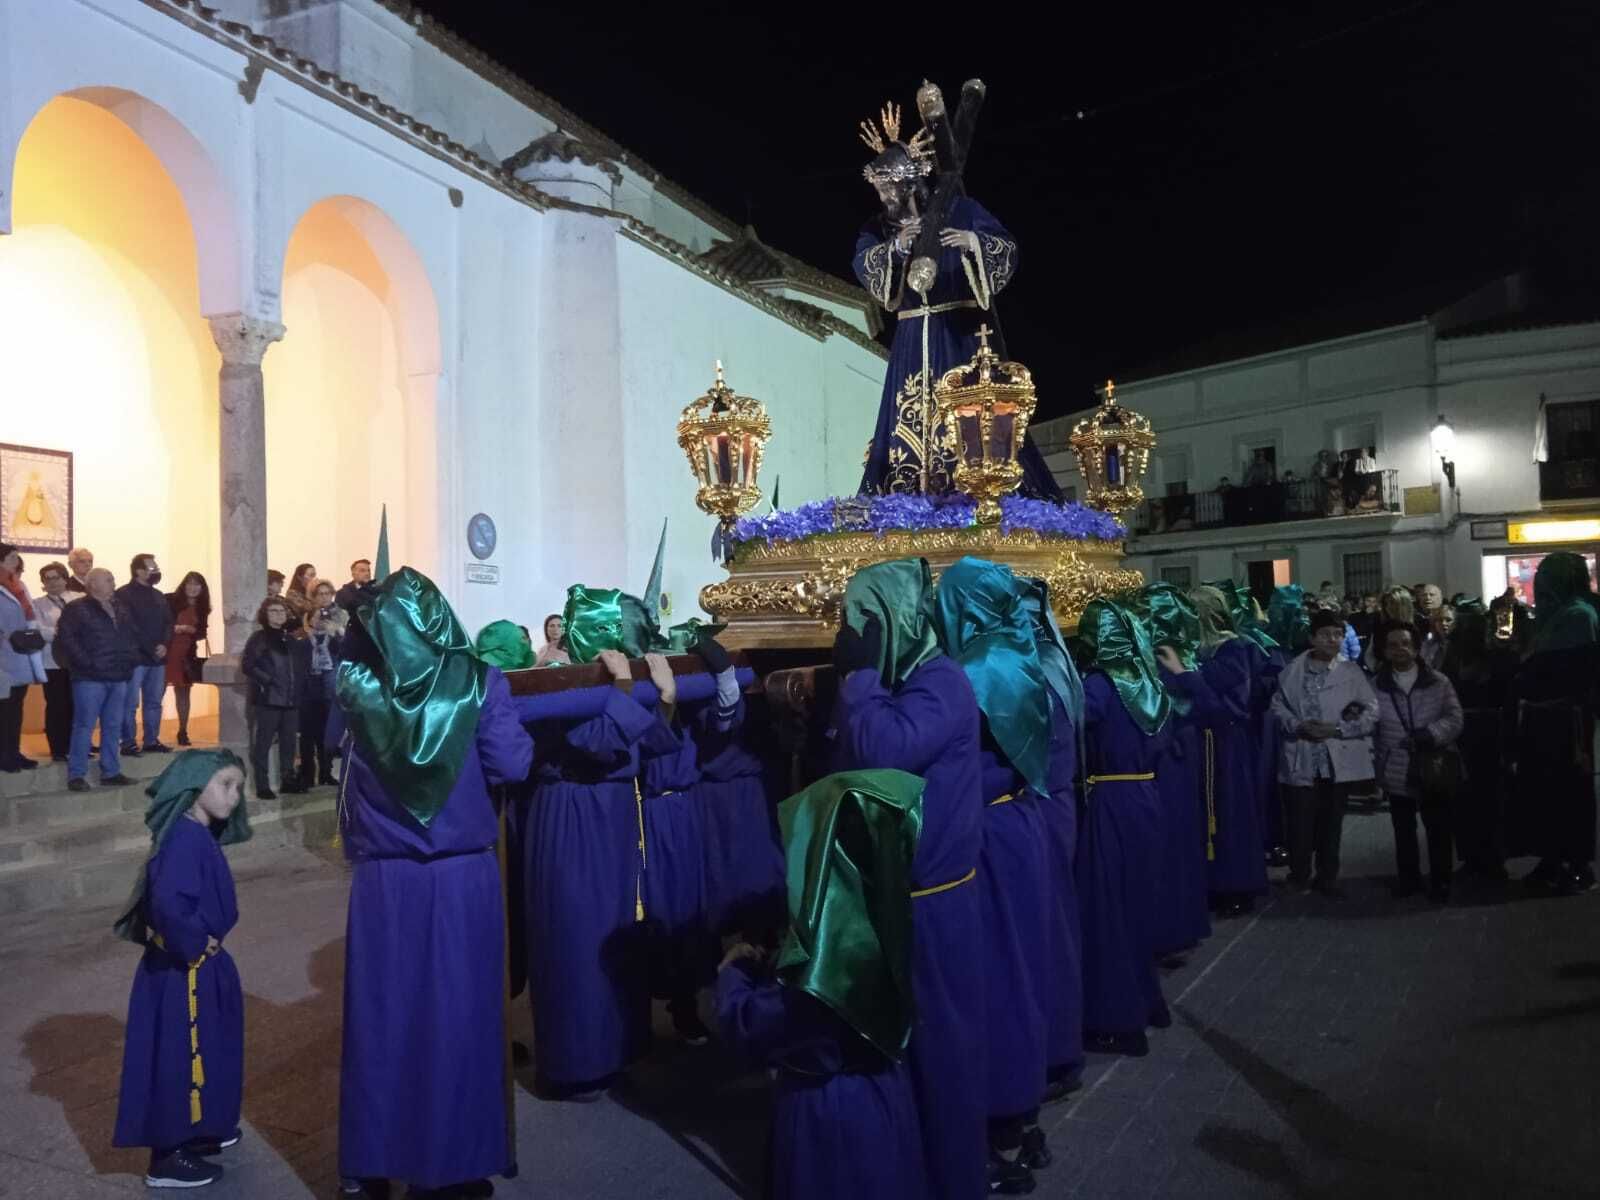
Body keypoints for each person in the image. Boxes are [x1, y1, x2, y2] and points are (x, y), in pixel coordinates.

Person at [336, 569, 534, 1197]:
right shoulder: (478, 682)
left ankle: (371, 1165)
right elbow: (512, 762)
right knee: (459, 1016)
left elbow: (331, 757)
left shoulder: (353, 685)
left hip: (383, 882)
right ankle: (451, 1168)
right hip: (458, 877)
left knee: (381, 1019)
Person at [829, 557, 985, 1200]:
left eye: (866, 620)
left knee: (942, 1053)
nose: (854, 630)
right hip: (903, 898)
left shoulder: (941, 683)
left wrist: (859, 677)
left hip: (934, 903)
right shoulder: (913, 681)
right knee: (904, 1050)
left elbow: (881, 751)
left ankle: (956, 1179)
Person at [715, 770, 928, 1200]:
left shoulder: (826, 967)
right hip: (885, 1095)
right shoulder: (890, 919)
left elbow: (757, 1027)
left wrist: (732, 979)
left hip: (827, 1113)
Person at [852, 96, 1058, 500]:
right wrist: (895, 248)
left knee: (968, 412)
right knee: (906, 416)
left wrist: (971, 243)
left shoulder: (958, 209)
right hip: (911, 338)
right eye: (879, 189)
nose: (884, 198)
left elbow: (1006, 248)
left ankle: (979, 487)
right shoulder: (879, 229)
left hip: (959, 334)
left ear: (908, 182)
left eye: (889, 188)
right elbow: (866, 268)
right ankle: (908, 492)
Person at [932, 557, 1051, 1187]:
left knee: (990, 975)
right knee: (1021, 968)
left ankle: (991, 1113)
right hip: (1018, 828)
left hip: (985, 836)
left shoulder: (973, 667)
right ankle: (1021, 1116)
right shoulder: (1018, 649)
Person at [523, 642, 659, 1096]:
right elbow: (597, 743)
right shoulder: (555, 683)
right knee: (574, 938)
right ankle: (575, 1064)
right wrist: (622, 686)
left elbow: (648, 741)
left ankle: (614, 1049)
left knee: (614, 932)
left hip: (610, 815)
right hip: (573, 814)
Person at [111, 749, 250, 1189]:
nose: (234, 796)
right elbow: (169, 902)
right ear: (193, 789)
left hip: (196, 965)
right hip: (184, 971)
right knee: (179, 1058)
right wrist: (194, 943)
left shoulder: (195, 833)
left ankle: (197, 1131)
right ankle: (168, 1155)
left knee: (207, 1051)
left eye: (239, 788)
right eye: (225, 785)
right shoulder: (184, 839)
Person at [1074, 598, 1170, 1056]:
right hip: (1147, 798)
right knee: (1136, 908)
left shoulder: (1099, 685)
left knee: (1108, 912)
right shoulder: (1147, 682)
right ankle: (1150, 1002)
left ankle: (1119, 1019)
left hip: (1111, 799)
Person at [1271, 610, 1378, 895]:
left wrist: (1338, 729)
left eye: (1338, 634)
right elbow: (1277, 706)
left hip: (1334, 758)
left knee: (1332, 821)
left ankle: (1328, 874)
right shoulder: (1293, 670)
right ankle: (1299, 872)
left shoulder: (1351, 672)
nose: (1333, 640)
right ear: (1312, 638)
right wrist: (1297, 725)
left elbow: (1371, 710)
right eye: (1326, 634)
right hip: (1301, 755)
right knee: (1300, 821)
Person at [1511, 552, 1598, 895]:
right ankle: (1552, 857)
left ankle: (1577, 864)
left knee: (1570, 791)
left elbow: (1568, 672)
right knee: (1545, 790)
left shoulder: (1578, 615)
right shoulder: (1556, 615)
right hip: (1543, 717)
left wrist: (1526, 670)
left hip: (1566, 720)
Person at [1189, 585, 1269, 917]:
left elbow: (1233, 701)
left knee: (1231, 811)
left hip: (1227, 742)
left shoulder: (1234, 649)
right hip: (1202, 742)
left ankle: (1237, 884)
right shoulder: (1197, 650)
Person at [1375, 626, 1464, 902]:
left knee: (1438, 828)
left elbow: (1455, 718)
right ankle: (1409, 880)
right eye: (1392, 644)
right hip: (1396, 767)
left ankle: (1441, 881)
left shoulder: (1438, 682)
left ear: (1415, 648)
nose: (1399, 649)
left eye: (1405, 643)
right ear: (1385, 650)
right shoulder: (1376, 685)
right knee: (1403, 830)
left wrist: (1431, 734)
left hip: (1432, 766)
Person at [1441, 606, 1514, 880]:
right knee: (1489, 800)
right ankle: (1491, 859)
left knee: (1467, 800)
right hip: (1489, 734)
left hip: (1466, 734)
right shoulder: (1497, 657)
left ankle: (1475, 858)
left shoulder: (1453, 660)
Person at [56, 568, 137, 791]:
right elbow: (67, 639)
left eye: (112, 578)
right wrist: (88, 663)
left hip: (118, 675)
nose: (114, 582)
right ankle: (76, 775)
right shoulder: (77, 608)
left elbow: (130, 637)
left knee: (112, 725)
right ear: (93, 585)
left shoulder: (120, 607)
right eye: (109, 579)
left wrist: (129, 661)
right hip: (90, 678)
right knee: (84, 725)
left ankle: (111, 771)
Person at [240, 597, 304, 799]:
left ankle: (288, 780)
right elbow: (248, 665)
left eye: (282, 611)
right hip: (269, 699)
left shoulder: (291, 639)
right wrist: (268, 681)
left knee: (289, 744)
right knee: (263, 743)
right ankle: (262, 784)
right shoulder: (260, 638)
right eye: (274, 611)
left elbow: (299, 668)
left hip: (291, 700)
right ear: (265, 616)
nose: (279, 615)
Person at [116, 554, 174, 756]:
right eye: (152, 568)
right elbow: (129, 625)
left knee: (154, 702)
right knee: (130, 703)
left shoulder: (158, 595)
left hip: (158, 658)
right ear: (138, 571)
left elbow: (169, 622)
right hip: (135, 658)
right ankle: (128, 742)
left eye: (156, 567)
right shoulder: (123, 594)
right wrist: (151, 647)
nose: (156, 571)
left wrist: (165, 644)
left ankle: (151, 740)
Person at [0, 544, 46, 771]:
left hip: (20, 653)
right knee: (3, 708)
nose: (16, 561)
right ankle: (3, 755)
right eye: (11, 557)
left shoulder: (18, 585)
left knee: (15, 707)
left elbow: (29, 615)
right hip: (3, 656)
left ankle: (13, 751)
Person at [298, 581, 345, 787]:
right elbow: (301, 641)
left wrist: (334, 631)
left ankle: (326, 772)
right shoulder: (308, 615)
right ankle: (308, 773)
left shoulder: (341, 615)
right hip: (309, 678)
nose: (325, 597)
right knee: (308, 730)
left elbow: (345, 643)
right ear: (314, 596)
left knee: (328, 727)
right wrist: (311, 627)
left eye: (328, 593)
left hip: (330, 673)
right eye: (320, 594)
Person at [34, 561, 78, 762]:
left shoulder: (79, 600)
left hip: (78, 661)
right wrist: (64, 633)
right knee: (56, 705)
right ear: (43, 583)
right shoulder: (37, 604)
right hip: (52, 663)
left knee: (76, 705)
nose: (52, 582)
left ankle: (75, 746)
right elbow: (39, 631)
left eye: (56, 577)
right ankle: (58, 749)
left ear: (65, 578)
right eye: (47, 579)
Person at [166, 572, 211, 748]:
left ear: (202, 588)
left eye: (197, 585)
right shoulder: (170, 600)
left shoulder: (203, 607)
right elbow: (161, 624)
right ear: (184, 585)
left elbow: (202, 632)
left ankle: (182, 730)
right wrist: (178, 628)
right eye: (189, 584)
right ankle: (150, 734)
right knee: (157, 693)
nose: (193, 588)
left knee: (183, 693)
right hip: (167, 650)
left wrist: (193, 631)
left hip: (186, 653)